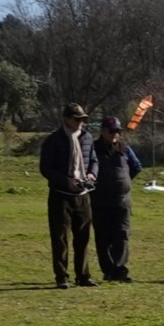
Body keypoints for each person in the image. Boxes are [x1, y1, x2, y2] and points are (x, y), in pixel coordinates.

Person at [39, 103, 100, 289]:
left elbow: (94, 160)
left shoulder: (87, 137)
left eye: (83, 119)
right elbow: (45, 168)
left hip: (83, 195)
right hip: (61, 195)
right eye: (76, 119)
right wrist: (66, 181)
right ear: (66, 119)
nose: (80, 122)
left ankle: (83, 276)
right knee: (60, 238)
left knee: (83, 237)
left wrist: (92, 174)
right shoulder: (53, 140)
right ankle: (61, 277)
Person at [92, 116, 142, 282]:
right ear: (102, 131)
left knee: (121, 235)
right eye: (111, 130)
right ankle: (108, 271)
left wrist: (123, 182)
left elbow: (136, 166)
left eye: (117, 131)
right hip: (100, 201)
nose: (115, 134)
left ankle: (120, 270)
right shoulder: (93, 148)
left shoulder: (125, 148)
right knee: (103, 237)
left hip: (122, 201)